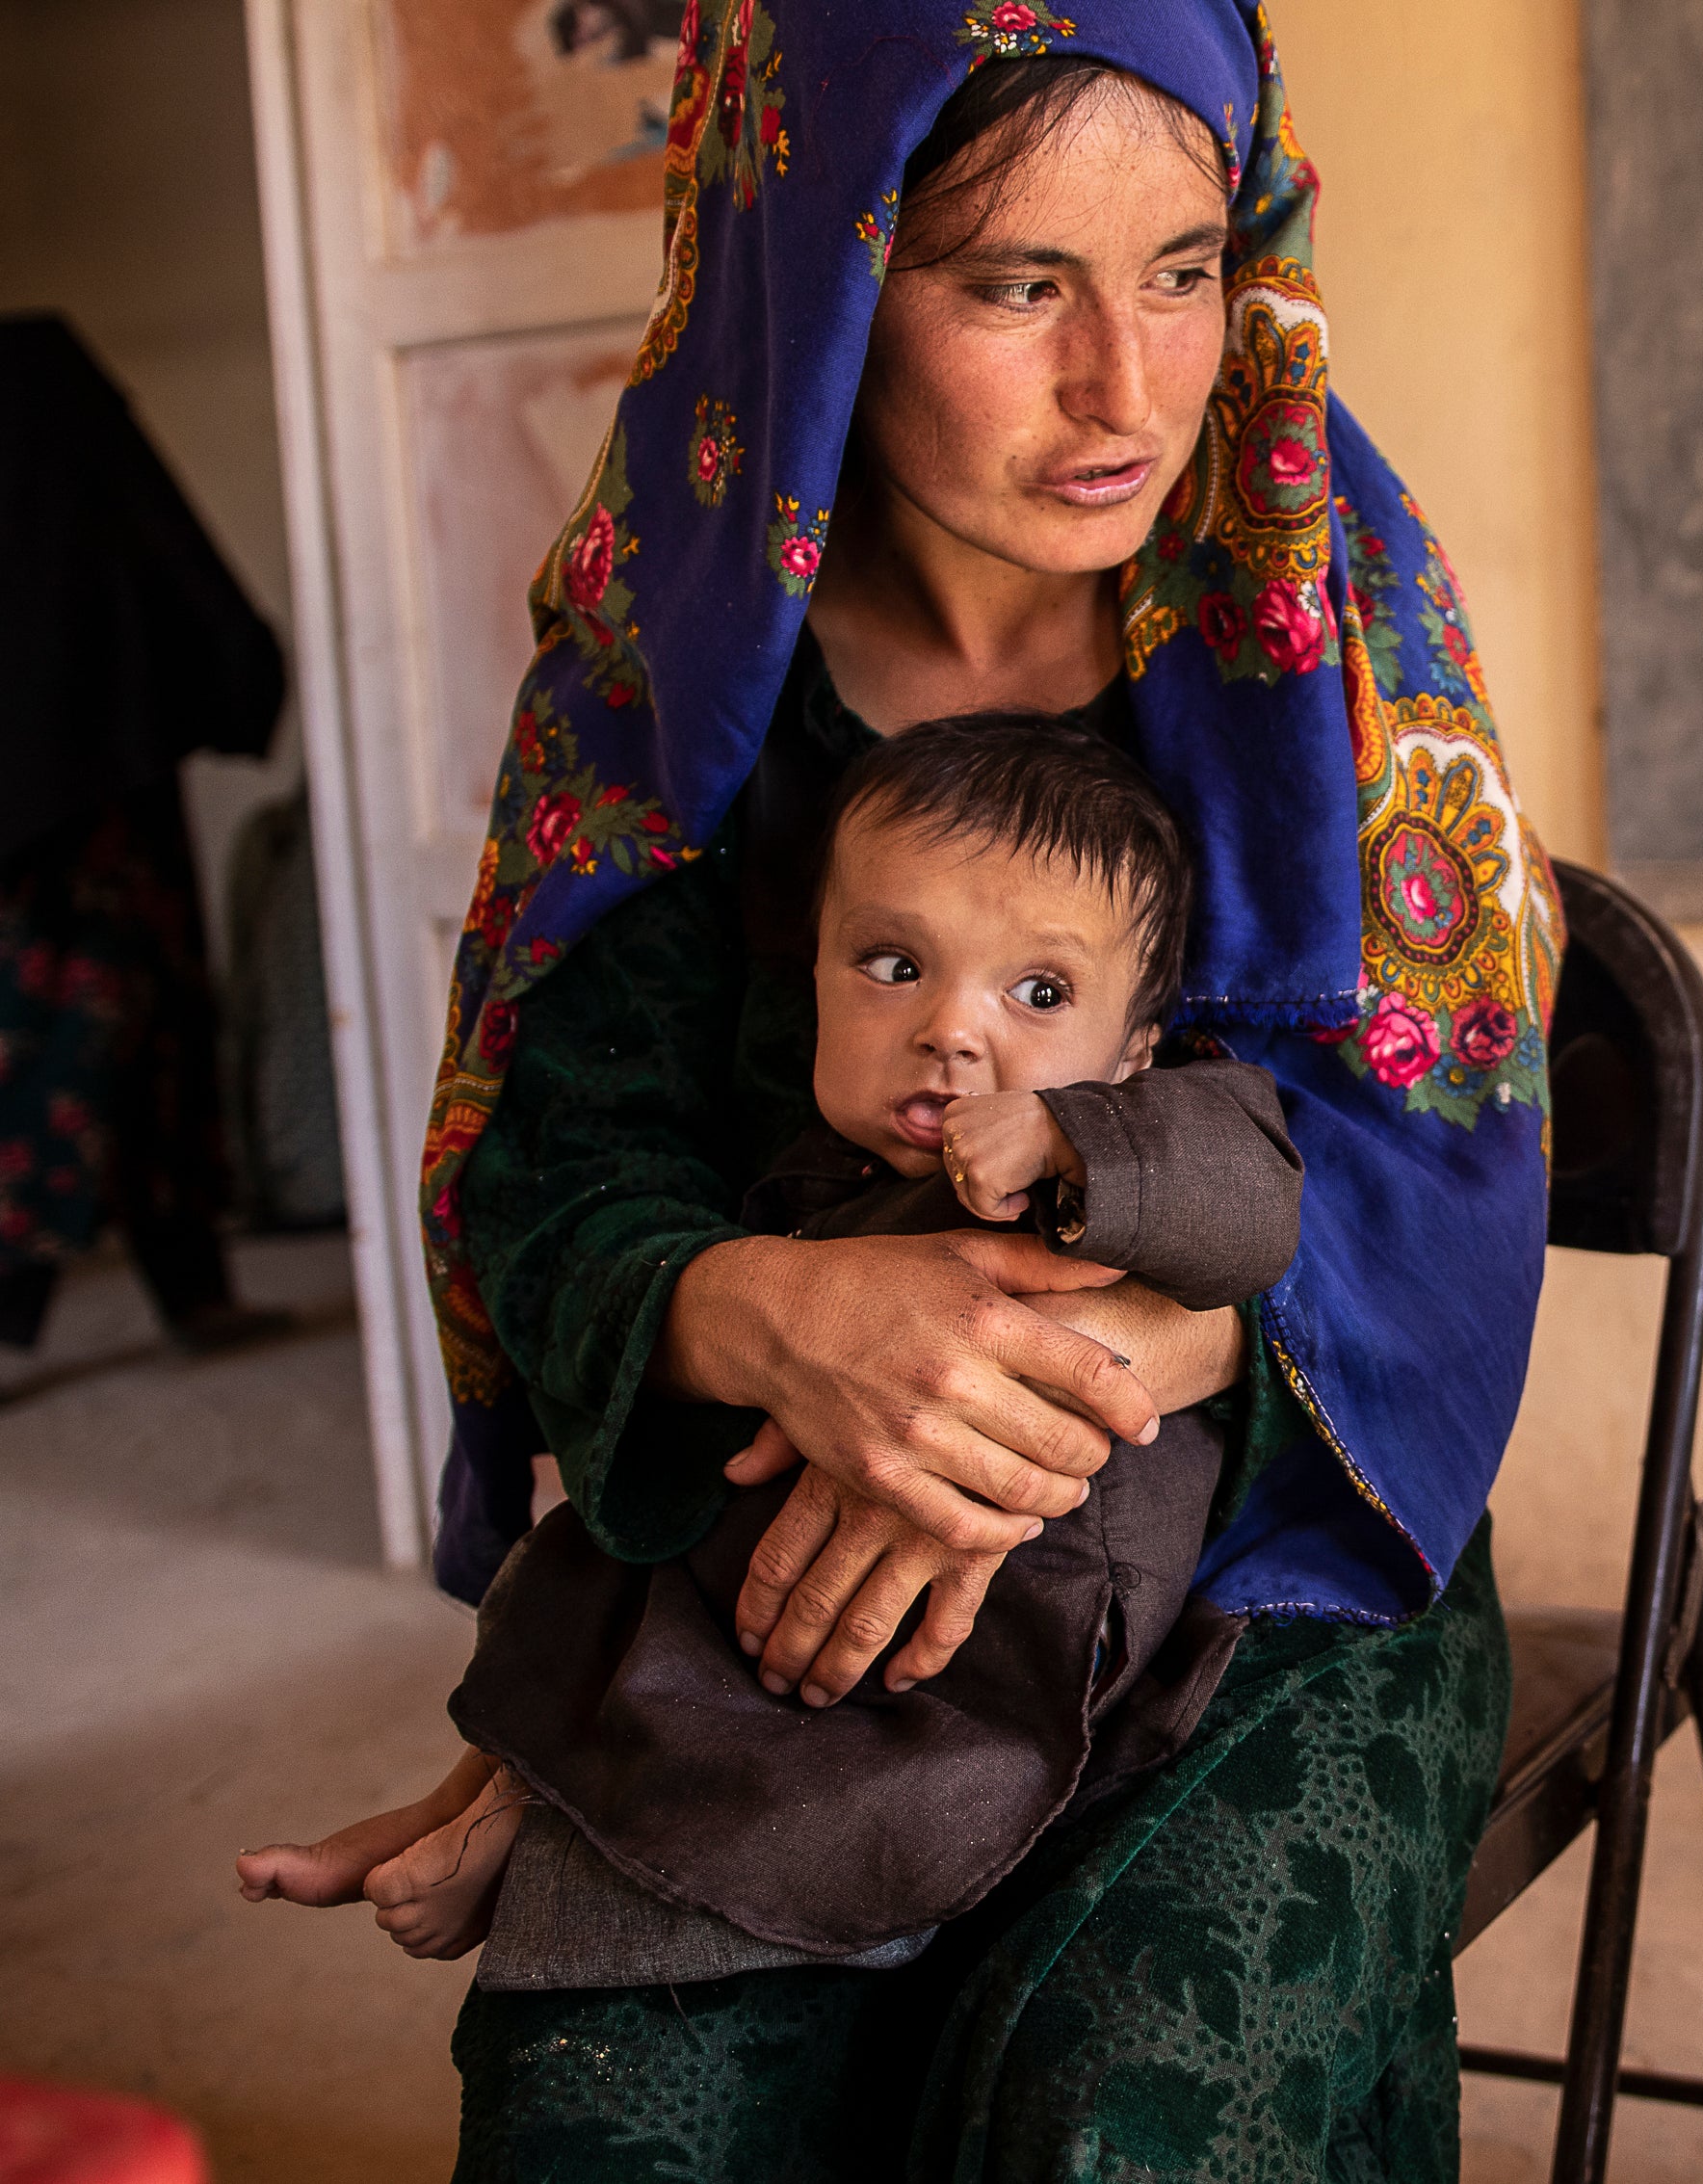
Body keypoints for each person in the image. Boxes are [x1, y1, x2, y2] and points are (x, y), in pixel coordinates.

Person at [351, 9, 1560, 2175]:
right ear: (812, 267)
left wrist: (1021, 1389)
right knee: (603, 2125)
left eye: (1185, 268)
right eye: (1018, 284)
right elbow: (559, 1163)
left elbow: (1425, 1211)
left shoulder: (1337, 630)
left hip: (1271, 1562)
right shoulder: (676, 658)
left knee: (1117, 2117)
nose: (1131, 385)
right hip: (772, 1540)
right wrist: (775, 1319)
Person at [236, 711, 1304, 1979]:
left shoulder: (1164, 1118)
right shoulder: (812, 1165)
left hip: (1012, 1614)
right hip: (776, 1538)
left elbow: (1255, 1202)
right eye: (892, 963)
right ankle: (496, 1795)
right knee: (589, 1557)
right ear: (810, 977)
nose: (953, 1031)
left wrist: (1083, 1141)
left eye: (1040, 992)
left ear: (1136, 1043)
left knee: (817, 1782)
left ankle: (571, 1847)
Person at [0, 316, 292, 1352]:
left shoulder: (38, 373)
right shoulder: (41, 375)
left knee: (136, 1020)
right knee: (96, 1026)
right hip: (89, 759)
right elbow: (157, 533)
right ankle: (85, 1289)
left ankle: (188, 1284)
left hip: (89, 758)